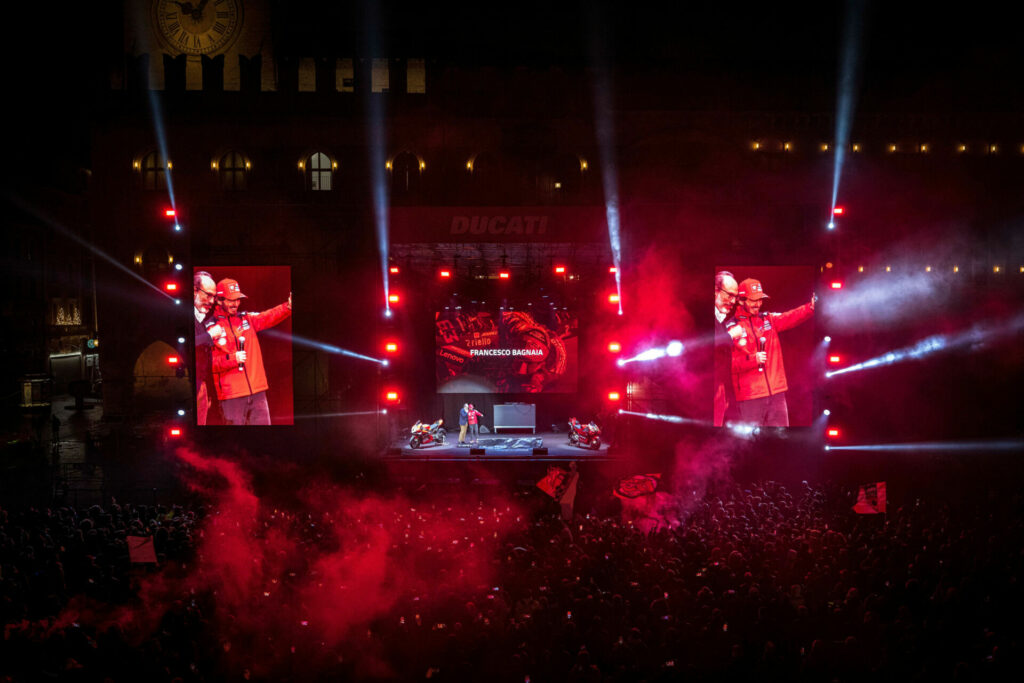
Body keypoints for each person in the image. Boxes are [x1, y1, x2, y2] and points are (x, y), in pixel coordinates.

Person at [727, 278, 814, 427]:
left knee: (779, 441)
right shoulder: (730, 328)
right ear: (741, 300)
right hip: (750, 397)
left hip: (777, 394)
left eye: (760, 299)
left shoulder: (768, 319)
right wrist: (753, 360)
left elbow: (791, 316)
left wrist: (811, 307)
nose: (758, 304)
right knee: (752, 444)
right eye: (753, 300)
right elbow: (728, 365)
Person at [208, 278, 292, 426]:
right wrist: (233, 359)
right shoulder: (209, 328)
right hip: (231, 396)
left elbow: (268, 316)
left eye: (238, 300)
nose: (235, 304)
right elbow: (208, 364)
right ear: (219, 300)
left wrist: (288, 307)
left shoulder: (246, 318)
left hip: (258, 392)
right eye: (230, 300)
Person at [192, 271, 222, 426]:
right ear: (194, 291)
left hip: (202, 388)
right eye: (208, 295)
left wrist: (207, 391)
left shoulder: (202, 319)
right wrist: (209, 336)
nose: (211, 301)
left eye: (214, 297)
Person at [713, 270, 740, 426]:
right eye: (729, 295)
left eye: (735, 297)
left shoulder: (721, 320)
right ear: (715, 291)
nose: (733, 301)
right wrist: (730, 336)